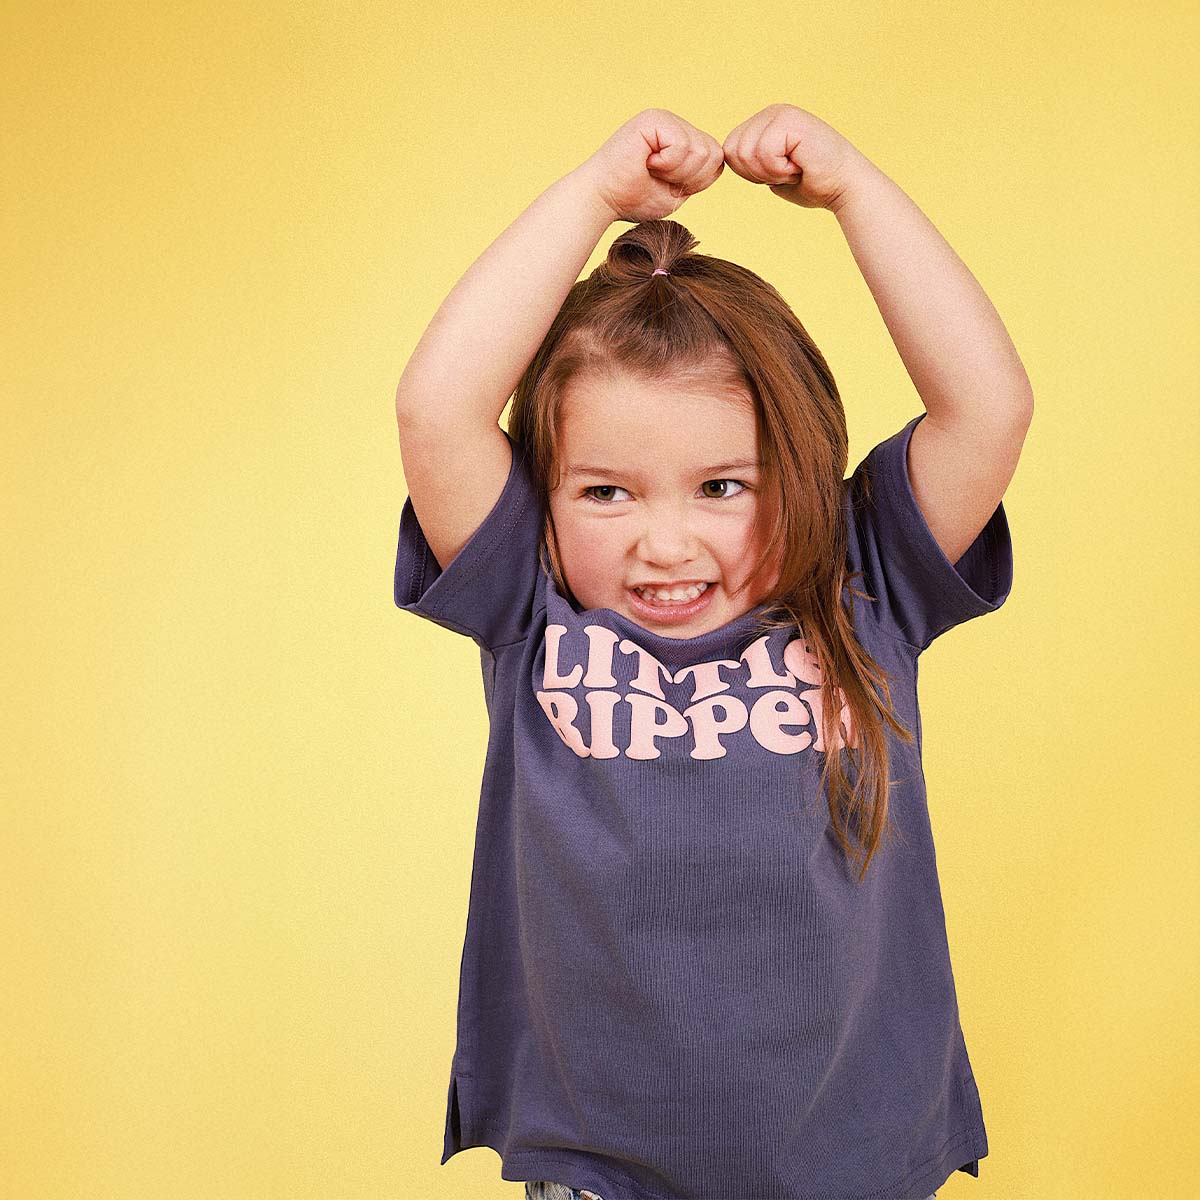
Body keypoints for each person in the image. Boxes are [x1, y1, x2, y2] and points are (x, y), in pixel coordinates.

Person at [391, 104, 1031, 1200]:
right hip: (599, 1171)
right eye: (605, 492)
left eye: (724, 486)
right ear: (548, 497)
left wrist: (853, 192)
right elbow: (436, 405)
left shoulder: (863, 581)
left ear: (800, 465)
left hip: (855, 1159)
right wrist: (597, 193)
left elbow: (989, 404)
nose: (665, 543)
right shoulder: (531, 597)